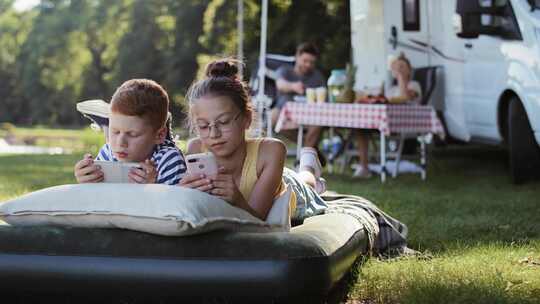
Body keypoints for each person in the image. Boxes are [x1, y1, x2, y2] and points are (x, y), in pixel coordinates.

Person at [179, 59, 327, 221]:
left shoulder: (272, 150)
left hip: (289, 192)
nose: (214, 134)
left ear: (247, 119)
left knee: (307, 182)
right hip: (267, 176)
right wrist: (184, 194)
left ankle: (309, 164)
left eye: (223, 122)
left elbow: (259, 219)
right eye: (203, 126)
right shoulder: (196, 148)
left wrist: (237, 199)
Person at [74, 79, 187, 185]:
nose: (120, 143)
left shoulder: (168, 159)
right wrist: (87, 179)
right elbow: (97, 200)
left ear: (159, 135)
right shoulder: (108, 152)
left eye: (132, 134)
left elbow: (177, 204)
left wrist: (153, 186)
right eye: (115, 132)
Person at [353, 53, 422, 178]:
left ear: (409, 70)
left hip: (404, 125)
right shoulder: (391, 88)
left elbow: (405, 97)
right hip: (385, 123)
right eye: (396, 67)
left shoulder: (414, 85)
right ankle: (364, 167)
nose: (398, 69)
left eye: (402, 67)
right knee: (360, 127)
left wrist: (400, 76)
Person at [271, 42, 325, 149]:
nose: (308, 65)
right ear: (297, 57)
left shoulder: (317, 76)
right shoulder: (285, 70)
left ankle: (306, 155)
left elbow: (323, 98)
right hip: (284, 111)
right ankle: (310, 148)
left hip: (310, 114)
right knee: (273, 118)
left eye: (312, 62)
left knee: (319, 122)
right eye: (305, 61)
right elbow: (280, 85)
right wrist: (293, 86)